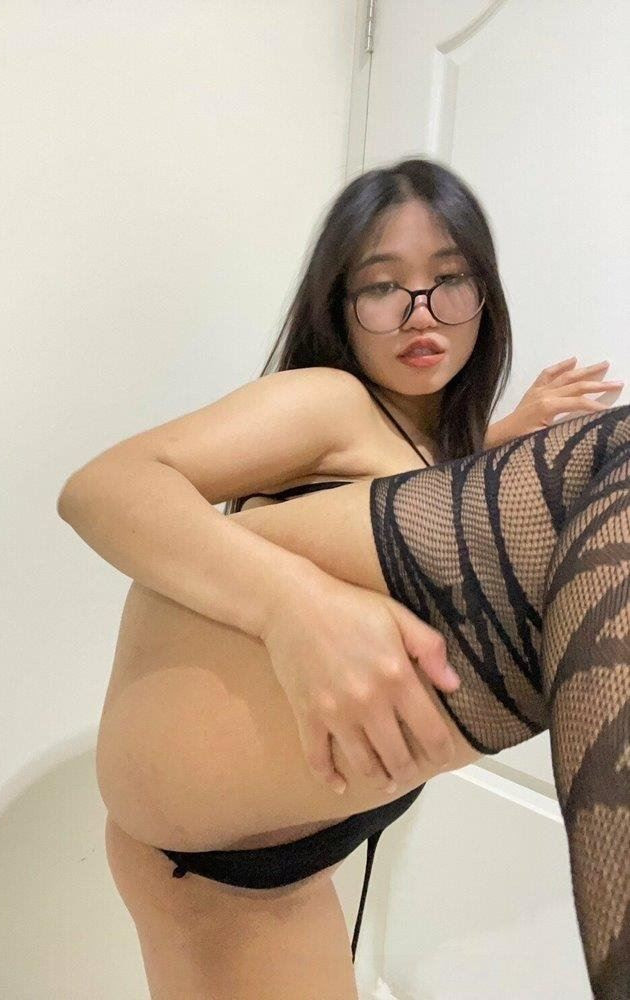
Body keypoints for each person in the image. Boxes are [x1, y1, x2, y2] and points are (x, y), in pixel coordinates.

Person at [57, 159, 628, 999]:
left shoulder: (422, 446)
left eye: (449, 280)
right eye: (382, 287)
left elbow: (397, 492)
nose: (420, 311)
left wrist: (498, 438)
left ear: (485, 295)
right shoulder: (328, 399)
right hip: (216, 853)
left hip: (280, 850)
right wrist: (295, 606)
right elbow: (100, 488)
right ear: (339, 306)